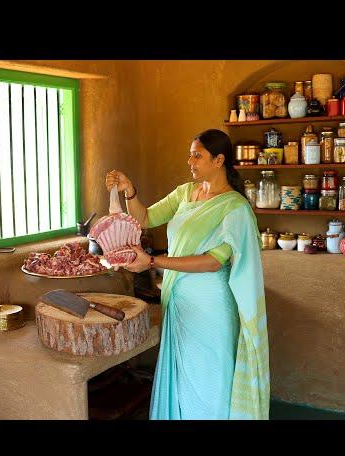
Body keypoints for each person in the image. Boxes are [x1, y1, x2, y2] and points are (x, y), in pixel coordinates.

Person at [105, 129, 269, 420]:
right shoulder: (185, 193)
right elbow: (144, 219)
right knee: (182, 377)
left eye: (198, 155)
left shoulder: (235, 208)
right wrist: (129, 190)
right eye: (190, 154)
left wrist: (154, 261)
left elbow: (213, 262)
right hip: (179, 301)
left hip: (211, 306)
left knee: (208, 380)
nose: (190, 161)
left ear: (219, 160)